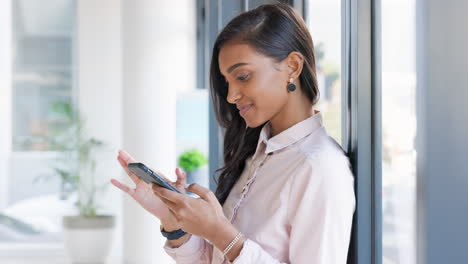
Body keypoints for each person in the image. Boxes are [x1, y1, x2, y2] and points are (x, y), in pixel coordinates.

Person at [111, 3, 355, 263]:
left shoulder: (319, 168)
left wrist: (221, 232)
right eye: (227, 81)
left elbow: (229, 246)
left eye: (243, 76)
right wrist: (173, 221)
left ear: (293, 66)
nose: (230, 95)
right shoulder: (259, 155)